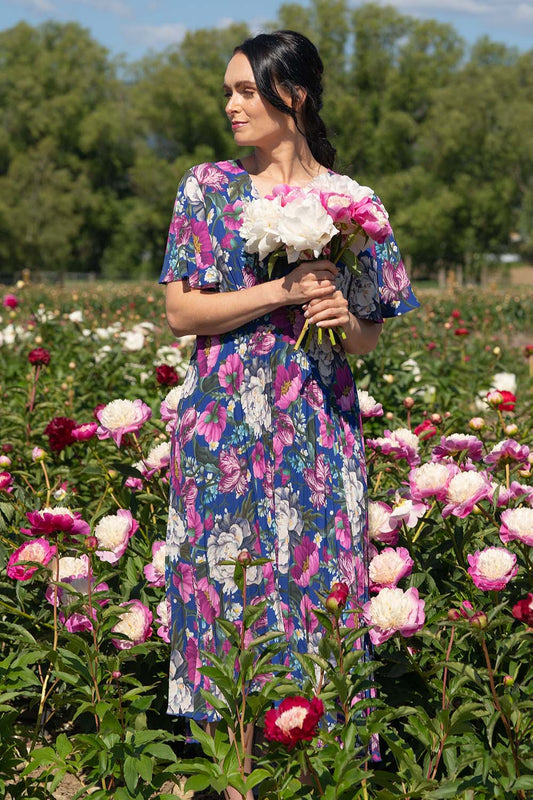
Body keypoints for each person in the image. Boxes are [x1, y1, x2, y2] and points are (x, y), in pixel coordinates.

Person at [160, 29, 419, 799]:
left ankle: (311, 775)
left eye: (246, 91)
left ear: (293, 96)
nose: (231, 105)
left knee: (318, 592)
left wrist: (340, 308)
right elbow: (180, 312)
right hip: (221, 429)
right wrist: (284, 291)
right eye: (230, 91)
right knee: (221, 590)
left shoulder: (352, 202)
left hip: (315, 425)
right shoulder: (207, 187)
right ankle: (231, 779)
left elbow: (370, 332)